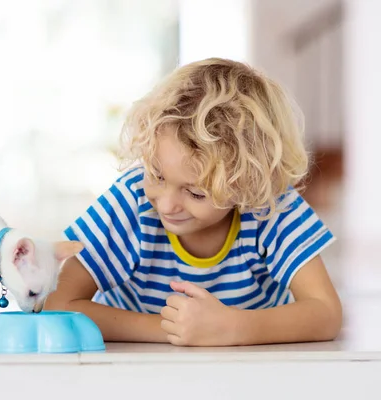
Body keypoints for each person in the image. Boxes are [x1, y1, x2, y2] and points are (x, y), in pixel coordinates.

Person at [44, 57, 342, 346]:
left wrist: (233, 328)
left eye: (196, 193)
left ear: (247, 182)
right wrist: (175, 330)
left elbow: (326, 312)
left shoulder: (270, 205)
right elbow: (57, 305)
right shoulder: (132, 200)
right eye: (156, 175)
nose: (166, 205)